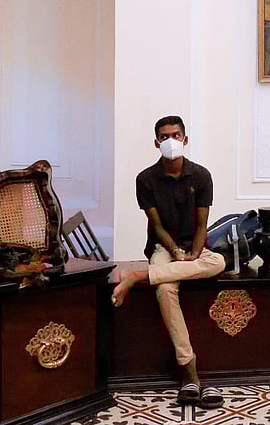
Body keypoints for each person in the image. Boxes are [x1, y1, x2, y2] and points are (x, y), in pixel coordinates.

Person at [111, 115, 226, 409]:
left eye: (175, 135)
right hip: (164, 246)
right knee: (165, 289)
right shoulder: (145, 179)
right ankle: (188, 370)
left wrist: (195, 252)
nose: (170, 141)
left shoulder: (201, 175)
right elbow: (157, 225)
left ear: (185, 140)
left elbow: (202, 224)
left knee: (219, 263)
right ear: (156, 142)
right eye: (164, 137)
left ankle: (137, 276)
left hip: (196, 245)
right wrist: (176, 252)